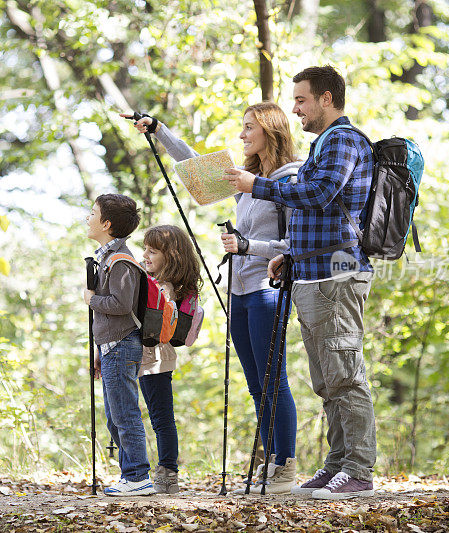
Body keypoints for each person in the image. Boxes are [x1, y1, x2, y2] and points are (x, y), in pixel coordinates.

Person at [122, 102, 301, 494]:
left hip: (268, 292)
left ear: (270, 131)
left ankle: (285, 465)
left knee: (273, 379)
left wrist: (247, 245)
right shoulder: (246, 181)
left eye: (249, 127)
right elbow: (195, 165)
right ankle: (271, 460)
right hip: (239, 293)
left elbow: (293, 246)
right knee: (256, 384)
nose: (242, 135)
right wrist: (158, 130)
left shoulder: (290, 180)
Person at [226, 65, 377, 500]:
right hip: (311, 272)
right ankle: (337, 466)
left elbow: (319, 194)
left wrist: (259, 186)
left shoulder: (344, 140)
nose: (296, 109)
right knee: (327, 380)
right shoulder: (322, 146)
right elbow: (313, 215)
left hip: (338, 273)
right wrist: (288, 256)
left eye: (302, 100)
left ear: (326, 98)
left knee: (345, 375)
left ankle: (359, 471)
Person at [84, 193, 155, 496]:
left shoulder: (120, 260)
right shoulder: (107, 257)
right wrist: (100, 350)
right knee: (116, 416)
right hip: (111, 347)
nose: (87, 218)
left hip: (123, 345)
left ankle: (138, 476)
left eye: (92, 213)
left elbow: (121, 304)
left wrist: (91, 300)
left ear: (107, 223)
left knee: (125, 414)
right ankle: (131, 475)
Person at [138, 225, 202, 494]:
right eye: (145, 249)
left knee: (161, 417)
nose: (145, 255)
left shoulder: (163, 287)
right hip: (154, 359)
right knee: (159, 416)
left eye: (153, 251)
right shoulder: (164, 284)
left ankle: (166, 472)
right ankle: (163, 471)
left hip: (153, 359)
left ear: (171, 256)